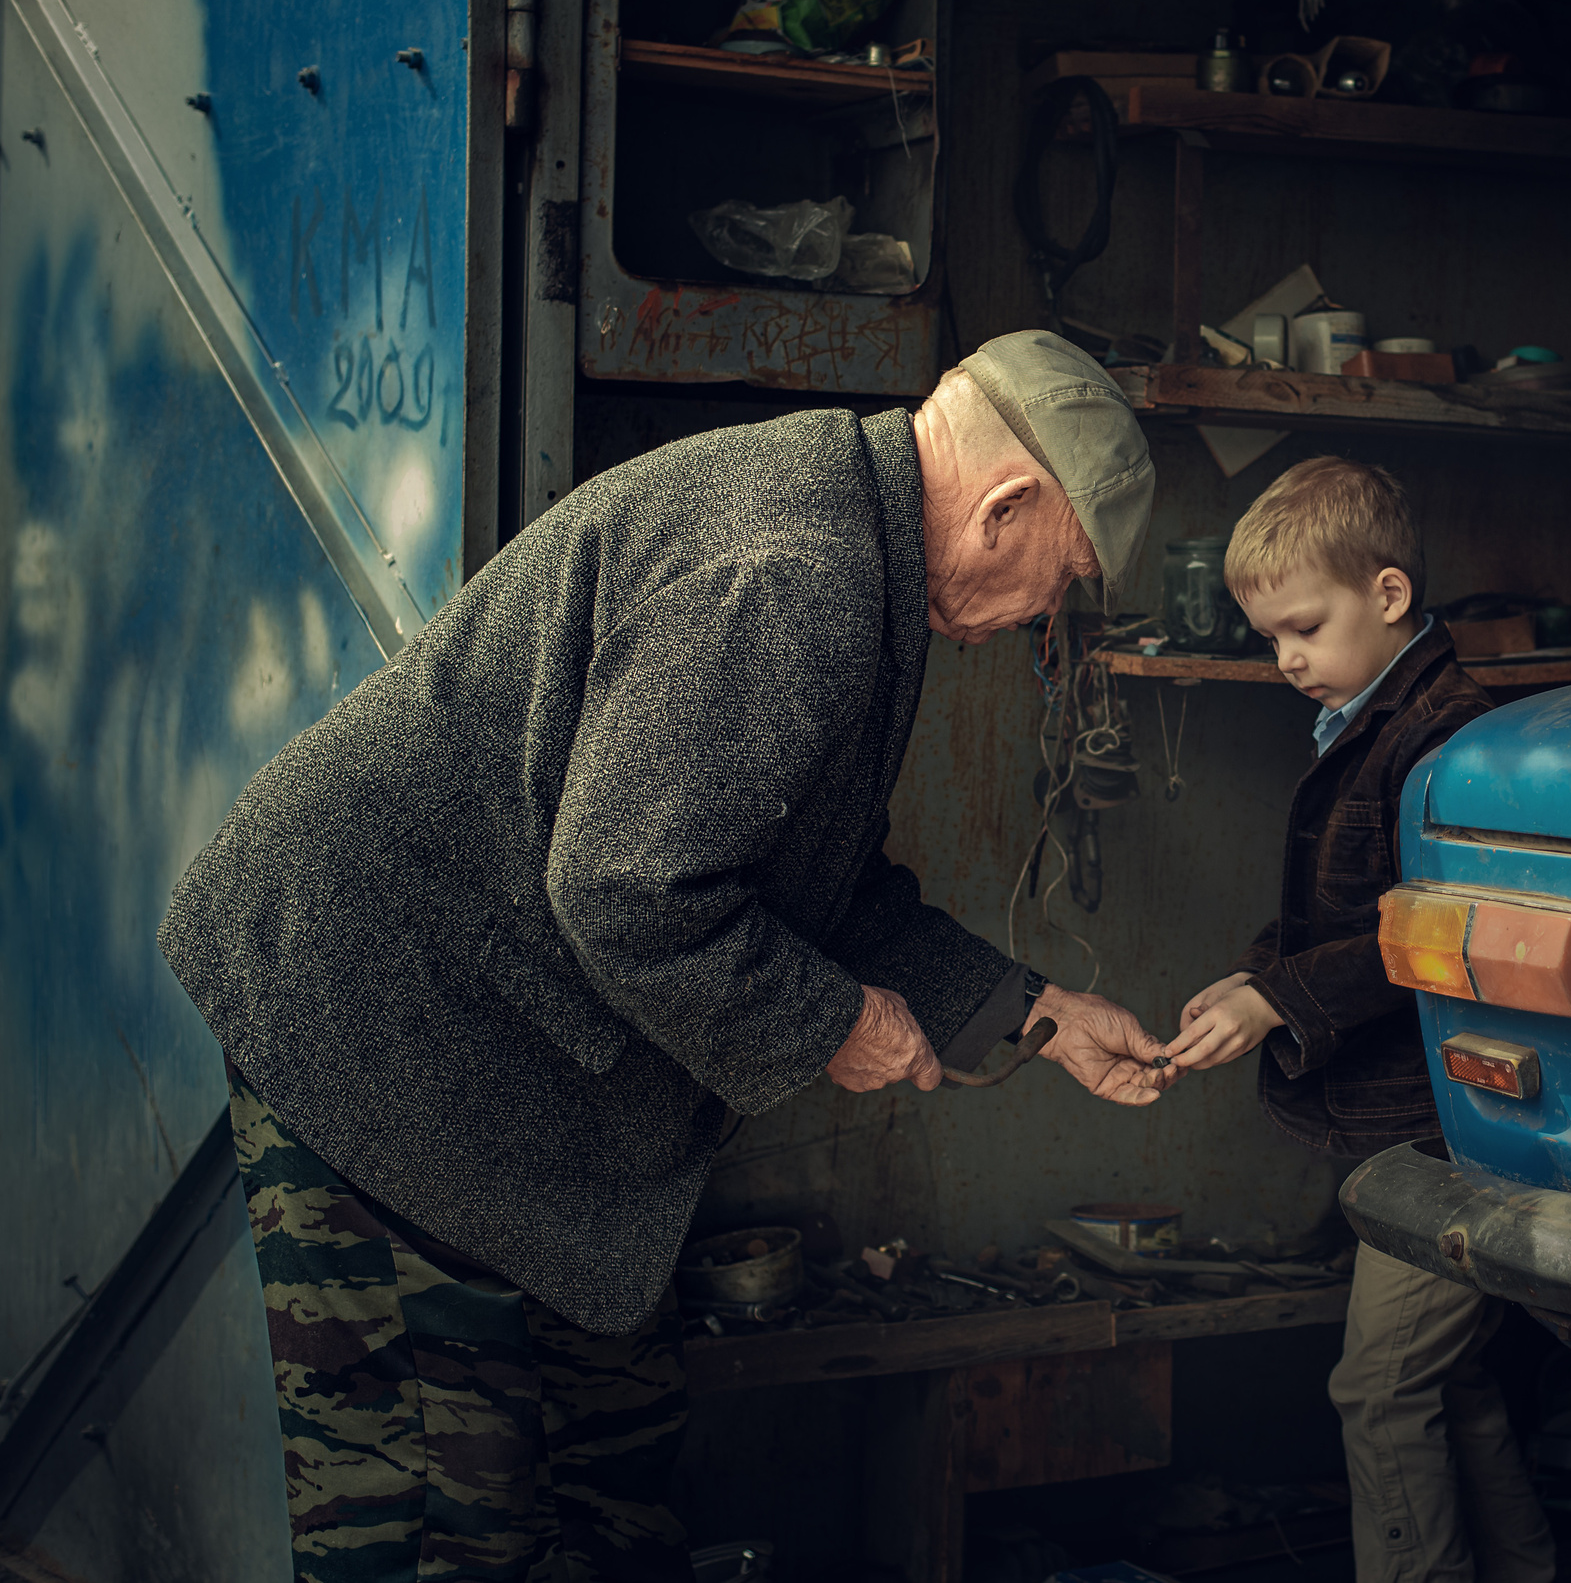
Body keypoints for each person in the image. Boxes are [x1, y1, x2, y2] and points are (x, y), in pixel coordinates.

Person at [157, 331, 1170, 1583]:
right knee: (442, 1515)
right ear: (1003, 508)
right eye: (1063, 579)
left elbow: (809, 882)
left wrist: (1038, 1012)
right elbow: (631, 891)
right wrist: (832, 1023)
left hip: (496, 1038)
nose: (1046, 615)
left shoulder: (854, 539)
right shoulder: (798, 570)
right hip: (383, 1022)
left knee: (615, 1456)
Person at [1160, 457, 1555, 1583]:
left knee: (1379, 1388)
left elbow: (1428, 932)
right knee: (1449, 1379)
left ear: (1388, 595)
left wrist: (1275, 998)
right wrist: (1252, 976)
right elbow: (1336, 909)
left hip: (1455, 1126)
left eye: (1304, 628)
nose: (1285, 658)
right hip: (1418, 1122)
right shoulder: (1363, 720)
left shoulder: (1447, 742)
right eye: (1269, 638)